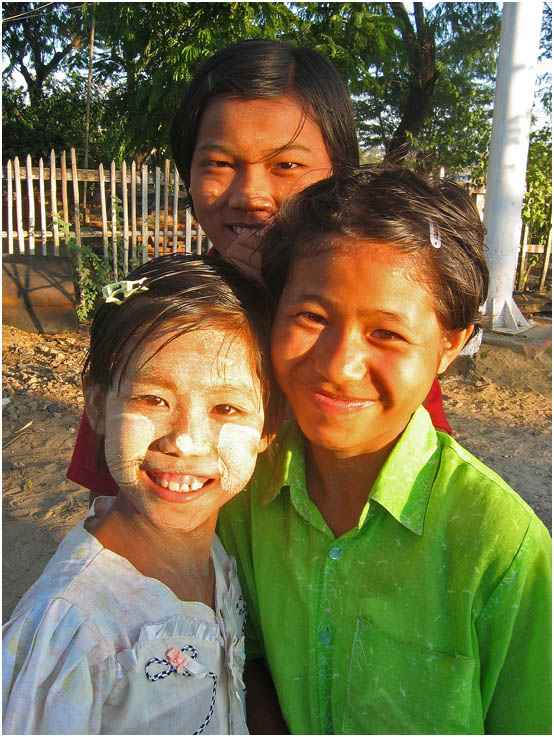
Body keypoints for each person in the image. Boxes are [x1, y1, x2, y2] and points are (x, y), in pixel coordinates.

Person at [217, 165, 552, 735]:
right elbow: (242, 662)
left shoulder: (503, 549)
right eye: (311, 317)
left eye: (387, 334)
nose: (337, 366)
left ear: (450, 345)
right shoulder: (245, 495)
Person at [67, 39, 451, 500]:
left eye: (286, 164)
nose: (251, 194)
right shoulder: (156, 312)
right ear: (187, 171)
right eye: (220, 163)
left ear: (340, 171)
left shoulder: (377, 324)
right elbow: (107, 496)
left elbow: (423, 480)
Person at [3, 254, 281, 734]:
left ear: (269, 428)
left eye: (226, 408)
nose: (185, 441)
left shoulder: (216, 554)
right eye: (152, 399)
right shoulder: (73, 630)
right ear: (97, 404)